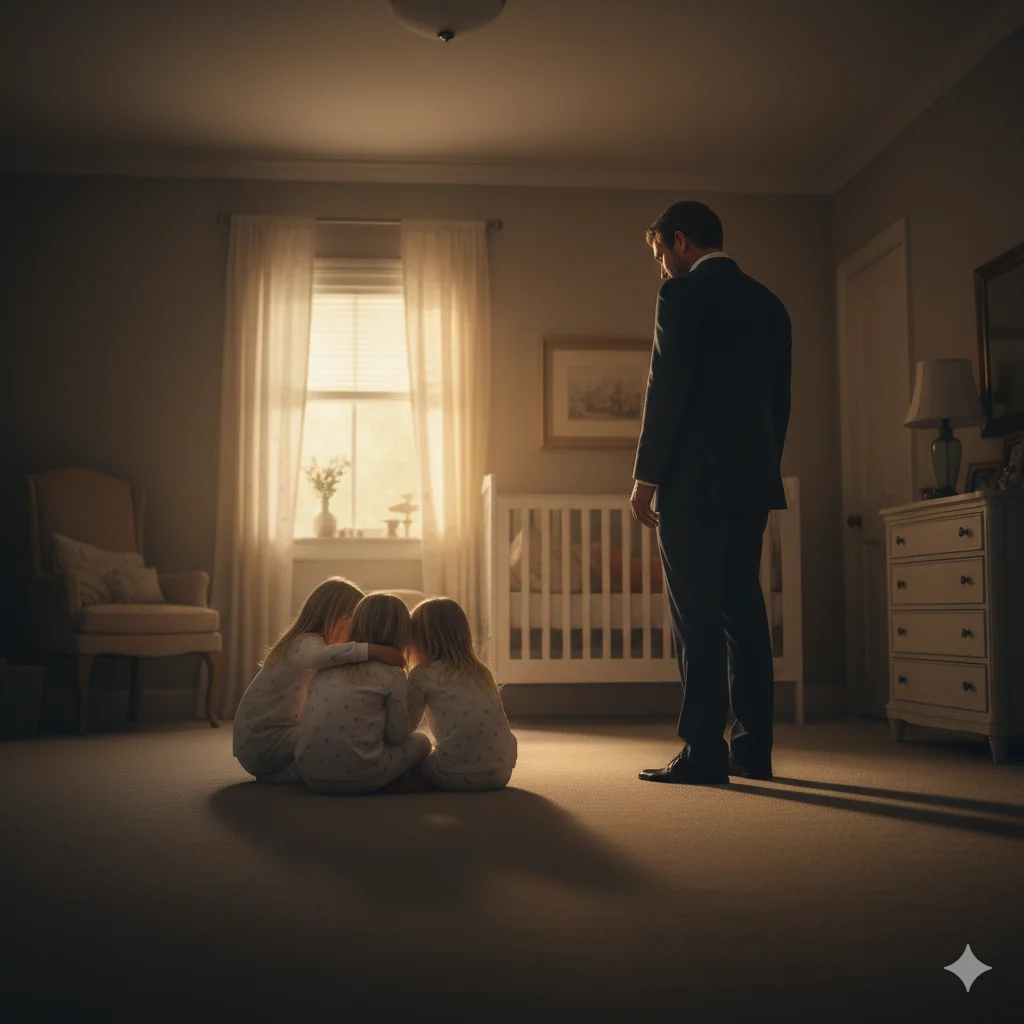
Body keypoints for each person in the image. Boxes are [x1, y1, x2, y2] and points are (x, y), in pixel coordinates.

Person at [631, 201, 792, 785]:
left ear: (680, 242)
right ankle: (753, 751)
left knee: (695, 618)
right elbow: (780, 405)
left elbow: (666, 390)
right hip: (751, 483)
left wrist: (646, 477)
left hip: (693, 487)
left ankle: (703, 752)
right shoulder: (770, 304)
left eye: (660, 255)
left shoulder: (683, 296)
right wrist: (759, 472)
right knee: (743, 613)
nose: (662, 268)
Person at [233, 577, 405, 784]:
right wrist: (373, 650)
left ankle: (287, 774)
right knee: (334, 734)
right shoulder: (304, 642)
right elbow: (318, 656)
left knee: (333, 733)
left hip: (269, 744)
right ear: (336, 617)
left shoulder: (310, 645)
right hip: (263, 741)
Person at [295, 593, 430, 794]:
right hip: (364, 776)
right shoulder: (392, 674)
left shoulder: (326, 668)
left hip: (309, 775)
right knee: (422, 742)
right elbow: (397, 735)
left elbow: (304, 720)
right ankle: (391, 779)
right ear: (402, 634)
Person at [407, 597, 517, 792]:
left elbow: (407, 725)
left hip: (454, 773)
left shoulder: (422, 673)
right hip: (501, 773)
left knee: (419, 747)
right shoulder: (481, 671)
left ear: (418, 639)